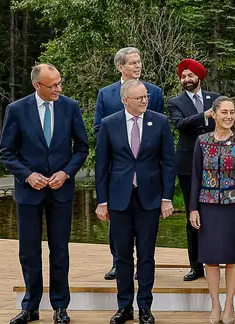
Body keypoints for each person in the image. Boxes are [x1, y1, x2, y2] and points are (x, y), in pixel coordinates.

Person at [0, 63, 90, 324]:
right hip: (29, 192)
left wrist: (66, 173)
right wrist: (27, 175)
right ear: (37, 85)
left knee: (59, 249)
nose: (59, 89)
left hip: (61, 190)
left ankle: (60, 306)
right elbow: (6, 152)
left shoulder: (69, 107)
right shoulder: (16, 110)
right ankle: (31, 306)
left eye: (60, 83)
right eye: (53, 85)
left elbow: (82, 147)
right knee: (29, 251)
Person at [95, 79, 176, 324]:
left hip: (149, 198)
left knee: (146, 255)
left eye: (145, 97)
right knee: (122, 256)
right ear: (125, 100)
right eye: (139, 98)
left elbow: (168, 162)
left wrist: (166, 198)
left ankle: (145, 308)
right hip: (119, 199)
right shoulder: (110, 124)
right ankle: (124, 307)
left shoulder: (159, 122)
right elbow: (102, 165)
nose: (144, 101)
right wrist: (102, 201)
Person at [95, 46, 165, 281]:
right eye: (132, 63)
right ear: (120, 67)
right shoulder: (106, 94)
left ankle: (143, 270)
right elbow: (99, 129)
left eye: (139, 61)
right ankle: (118, 262)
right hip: (118, 168)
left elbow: (158, 130)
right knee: (118, 224)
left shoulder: (153, 92)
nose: (138, 66)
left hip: (146, 171)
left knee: (145, 234)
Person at [189, 96, 235, 324]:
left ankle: (229, 304)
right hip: (207, 205)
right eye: (224, 112)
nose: (228, 116)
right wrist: (193, 208)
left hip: (234, 206)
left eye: (232, 112)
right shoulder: (202, 141)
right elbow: (195, 176)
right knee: (211, 258)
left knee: (232, 257)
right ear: (213, 114)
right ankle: (215, 304)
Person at [167, 58, 220, 282]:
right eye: (183, 76)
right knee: (193, 212)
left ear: (200, 77)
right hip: (188, 163)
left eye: (190, 75)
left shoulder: (215, 98)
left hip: (216, 163)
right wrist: (205, 116)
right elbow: (180, 124)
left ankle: (215, 259)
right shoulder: (175, 102)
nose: (186, 79)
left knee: (215, 213)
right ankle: (195, 265)